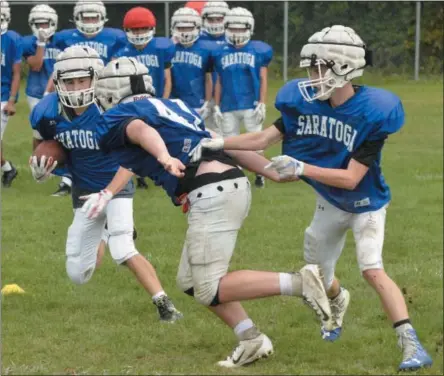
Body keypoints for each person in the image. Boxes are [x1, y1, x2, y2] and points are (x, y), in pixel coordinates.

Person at [199, 25, 433, 371]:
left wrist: (302, 168)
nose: (312, 76)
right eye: (311, 67)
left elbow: (353, 179)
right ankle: (338, 301)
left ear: (345, 68)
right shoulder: (303, 102)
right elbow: (264, 139)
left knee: (371, 267)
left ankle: (411, 342)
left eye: (320, 68)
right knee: (316, 276)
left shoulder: (373, 111)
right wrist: (219, 143)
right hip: (329, 202)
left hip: (367, 204)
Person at [88, 56, 334, 368]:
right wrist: (270, 170)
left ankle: (300, 283)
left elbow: (139, 129)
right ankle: (251, 338)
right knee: (189, 281)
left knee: (208, 287)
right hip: (225, 185)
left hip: (210, 192)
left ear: (109, 94)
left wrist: (163, 157)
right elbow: (218, 144)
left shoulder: (122, 115)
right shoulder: (175, 106)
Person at [28, 46, 183, 323]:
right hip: (83, 191)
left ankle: (164, 304)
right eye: (69, 81)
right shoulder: (47, 111)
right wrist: (42, 171)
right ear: (58, 81)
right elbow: (42, 148)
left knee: (122, 248)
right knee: (78, 273)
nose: (76, 88)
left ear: (96, 78)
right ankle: (103, 233)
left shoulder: (110, 106)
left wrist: (109, 192)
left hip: (117, 184)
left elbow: (132, 160)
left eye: (82, 80)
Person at [113, 6, 175, 189]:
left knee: (158, 138)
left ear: (152, 29)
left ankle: (159, 171)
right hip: (130, 103)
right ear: (127, 31)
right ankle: (137, 175)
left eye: (142, 29)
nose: (139, 33)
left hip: (154, 101)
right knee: (132, 140)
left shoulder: (161, 48)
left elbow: (167, 79)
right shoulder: (121, 50)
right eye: (135, 29)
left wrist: (163, 101)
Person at [212, 7, 272, 188]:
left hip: (250, 103)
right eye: (233, 28)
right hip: (228, 104)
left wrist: (261, 102)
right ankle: (236, 176)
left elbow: (263, 78)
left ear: (249, 28)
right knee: (230, 142)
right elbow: (219, 81)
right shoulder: (219, 52)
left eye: (240, 28)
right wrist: (216, 104)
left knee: (255, 142)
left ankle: (260, 174)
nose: (237, 33)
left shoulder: (258, 50)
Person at [22, 4, 73, 197]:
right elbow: (35, 66)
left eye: (46, 23)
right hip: (36, 94)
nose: (42, 27)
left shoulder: (62, 41)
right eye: (38, 23)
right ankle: (41, 167)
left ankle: (66, 177)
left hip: (60, 94)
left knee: (63, 133)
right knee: (39, 134)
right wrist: (41, 44)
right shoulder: (29, 43)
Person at [170, 7, 213, 124]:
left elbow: (208, 78)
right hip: (173, 100)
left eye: (189, 27)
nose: (185, 31)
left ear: (197, 27)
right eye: (181, 28)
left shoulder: (205, 50)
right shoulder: (168, 48)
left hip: (197, 101)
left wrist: (207, 102)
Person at [198, 1, 229, 134]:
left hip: (226, 94)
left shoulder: (233, 37)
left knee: (225, 133)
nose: (215, 23)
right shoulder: (196, 37)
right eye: (211, 19)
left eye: (219, 19)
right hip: (200, 93)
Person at [0, 0, 20, 187]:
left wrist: (12, 100)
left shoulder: (12, 38)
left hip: (3, 95)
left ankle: (8, 169)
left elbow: (16, 72)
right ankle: (8, 169)